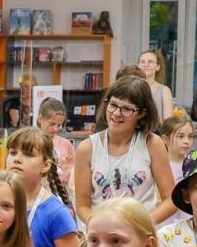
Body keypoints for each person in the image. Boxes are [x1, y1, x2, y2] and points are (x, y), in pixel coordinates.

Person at [74, 76, 176, 220]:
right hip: (102, 234)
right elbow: (82, 206)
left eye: (127, 109)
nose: (116, 113)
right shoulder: (87, 148)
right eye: (113, 105)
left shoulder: (152, 144)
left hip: (140, 234)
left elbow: (170, 200)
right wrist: (100, 228)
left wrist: (141, 226)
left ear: (142, 113)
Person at [37, 97, 76, 191]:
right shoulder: (32, 141)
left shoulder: (66, 144)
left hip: (61, 193)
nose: (55, 129)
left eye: (59, 125)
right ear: (40, 118)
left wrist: (68, 173)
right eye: (52, 124)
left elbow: (73, 170)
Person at [137, 48, 178, 124]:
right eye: (142, 62)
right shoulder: (131, 88)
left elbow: (168, 123)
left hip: (156, 134)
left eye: (150, 62)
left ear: (158, 67)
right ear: (138, 66)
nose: (146, 65)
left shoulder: (164, 91)